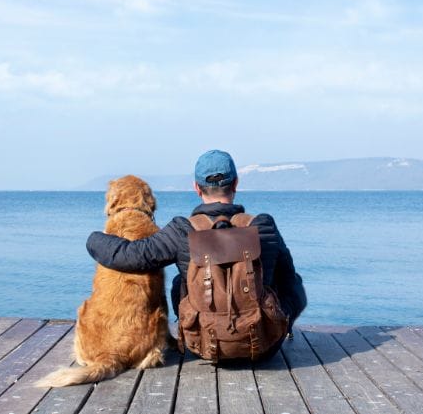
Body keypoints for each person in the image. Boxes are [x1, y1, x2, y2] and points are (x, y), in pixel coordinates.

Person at [85, 149, 307, 351]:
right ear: (236, 184)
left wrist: (94, 238)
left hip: (204, 347)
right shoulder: (263, 225)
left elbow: (130, 256)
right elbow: (290, 283)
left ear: (196, 188)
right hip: (264, 348)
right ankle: (278, 330)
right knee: (291, 278)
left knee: (179, 281)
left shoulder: (183, 230)